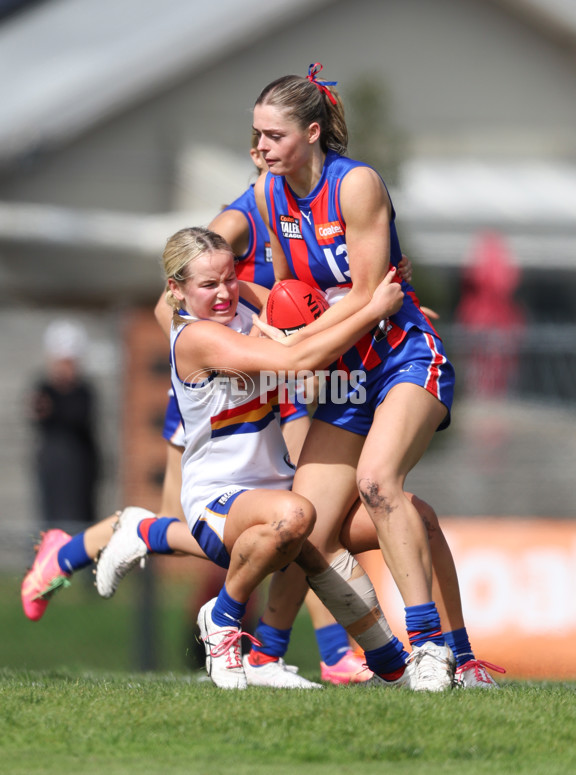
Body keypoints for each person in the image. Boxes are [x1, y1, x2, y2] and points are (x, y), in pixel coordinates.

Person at [251, 63, 500, 690]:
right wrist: (264, 316)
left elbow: (370, 298)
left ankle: (430, 650)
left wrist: (294, 342)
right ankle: (262, 656)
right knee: (303, 521)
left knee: (378, 483)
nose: (260, 148)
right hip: (346, 370)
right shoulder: (268, 192)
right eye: (255, 135)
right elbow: (293, 292)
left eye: (273, 136)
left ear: (311, 132)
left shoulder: (355, 185)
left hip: (403, 357)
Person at [99, 225, 406, 689]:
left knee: (410, 518)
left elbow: (312, 313)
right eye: (208, 285)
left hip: (277, 486)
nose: (224, 293)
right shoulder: (195, 337)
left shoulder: (245, 299)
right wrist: (371, 312)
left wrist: (373, 297)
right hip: (219, 497)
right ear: (175, 290)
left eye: (229, 278)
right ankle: (222, 617)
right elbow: (296, 361)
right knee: (298, 517)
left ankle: (429, 657)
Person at [26, 319, 99, 528]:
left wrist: (55, 408)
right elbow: (39, 414)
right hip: (52, 465)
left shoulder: (83, 391)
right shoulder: (44, 387)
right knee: (52, 522)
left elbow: (77, 416)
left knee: (78, 522)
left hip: (80, 468)